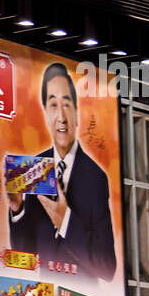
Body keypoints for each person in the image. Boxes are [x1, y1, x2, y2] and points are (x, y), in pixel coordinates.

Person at [7, 62, 117, 281]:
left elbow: (107, 268)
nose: (61, 116)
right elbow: (24, 259)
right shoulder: (34, 169)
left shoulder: (95, 177)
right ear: (45, 113)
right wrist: (17, 210)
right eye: (53, 105)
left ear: (76, 112)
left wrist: (65, 220)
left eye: (66, 104)